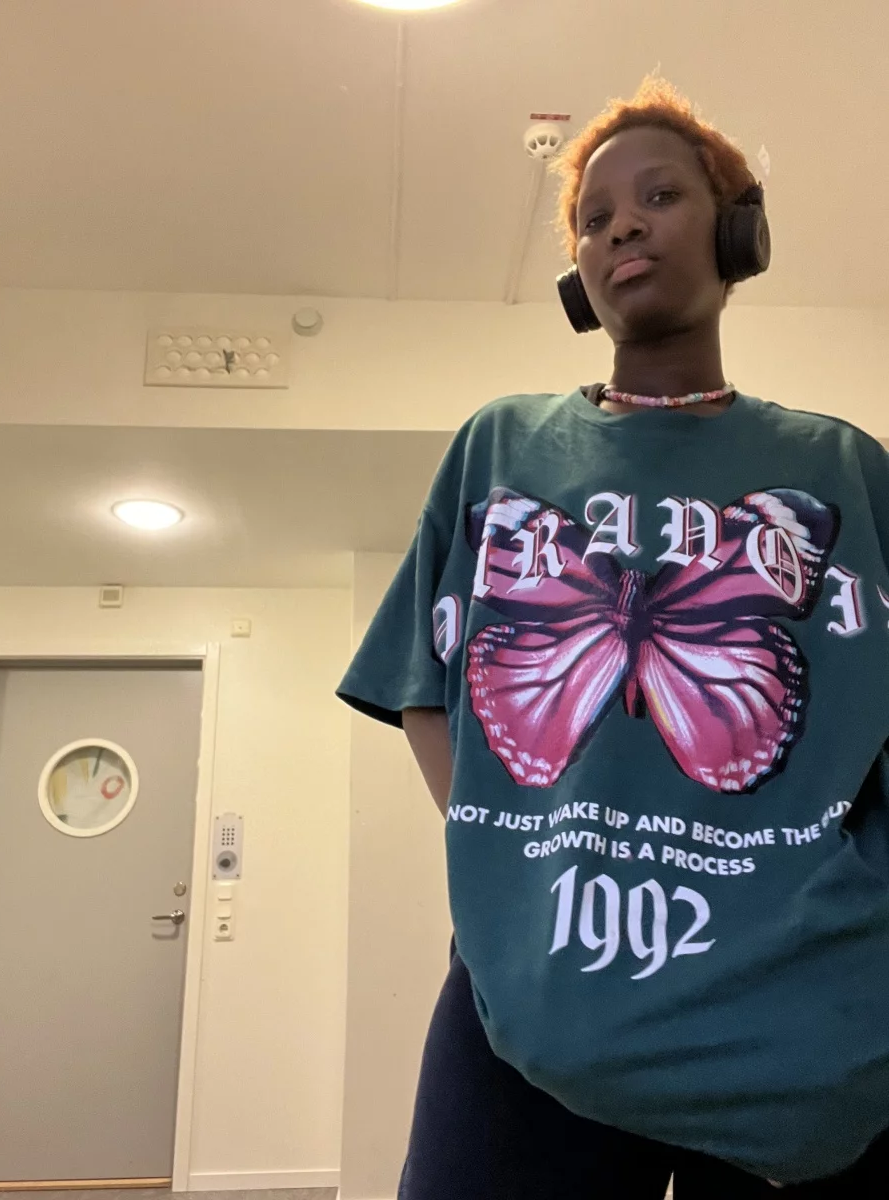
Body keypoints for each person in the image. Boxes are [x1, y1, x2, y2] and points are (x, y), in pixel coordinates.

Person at [337, 78, 889, 1198]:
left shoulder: (844, 468)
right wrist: (516, 855)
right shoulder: (502, 447)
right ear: (579, 275)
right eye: (594, 219)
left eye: (660, 197)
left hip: (802, 1015)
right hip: (533, 1000)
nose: (622, 226)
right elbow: (422, 686)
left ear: (738, 232)